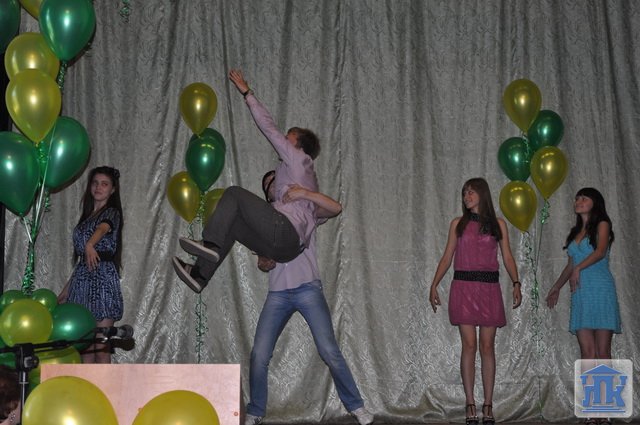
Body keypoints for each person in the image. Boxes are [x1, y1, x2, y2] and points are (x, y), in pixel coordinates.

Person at [173, 69, 321, 293]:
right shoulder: (306, 179)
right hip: (286, 250)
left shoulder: (299, 158)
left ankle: (210, 242)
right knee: (232, 224)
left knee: (233, 193)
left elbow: (269, 128)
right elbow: (318, 215)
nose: (283, 140)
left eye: (288, 137)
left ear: (298, 145)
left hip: (285, 232)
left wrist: (247, 93)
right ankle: (200, 275)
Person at [244, 172, 373, 425]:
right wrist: (265, 262)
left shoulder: (303, 209)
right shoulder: (263, 221)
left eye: (277, 178)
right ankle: (256, 410)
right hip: (278, 293)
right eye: (269, 183)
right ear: (267, 194)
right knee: (259, 354)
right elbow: (262, 262)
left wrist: (304, 193)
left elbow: (335, 208)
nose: (275, 183)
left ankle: (356, 407)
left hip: (307, 289)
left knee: (329, 350)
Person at [429, 178, 522, 425]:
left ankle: (488, 404)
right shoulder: (457, 224)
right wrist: (434, 284)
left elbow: (508, 257)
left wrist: (516, 282)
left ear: (482, 194)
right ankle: (470, 402)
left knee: (487, 347)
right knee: (469, 346)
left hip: (489, 289)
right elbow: (447, 257)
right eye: (464, 193)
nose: (467, 196)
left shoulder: (498, 224)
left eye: (471, 192)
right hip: (464, 288)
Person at [58, 166, 124, 364]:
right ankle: (86, 384)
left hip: (102, 283)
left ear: (112, 190)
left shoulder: (112, 212)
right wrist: (66, 290)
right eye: (95, 183)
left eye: (104, 184)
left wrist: (89, 244)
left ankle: (106, 385)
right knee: (84, 348)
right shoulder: (86, 218)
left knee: (101, 346)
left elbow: (103, 228)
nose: (98, 187)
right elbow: (83, 262)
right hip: (81, 283)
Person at [545, 188, 621, 351]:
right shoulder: (575, 233)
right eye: (577, 198)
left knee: (603, 350)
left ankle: (604, 371)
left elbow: (600, 252)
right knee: (587, 350)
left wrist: (578, 268)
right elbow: (570, 266)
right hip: (580, 290)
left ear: (595, 203)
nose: (578, 202)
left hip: (600, 288)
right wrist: (556, 287)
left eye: (584, 199)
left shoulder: (603, 224)